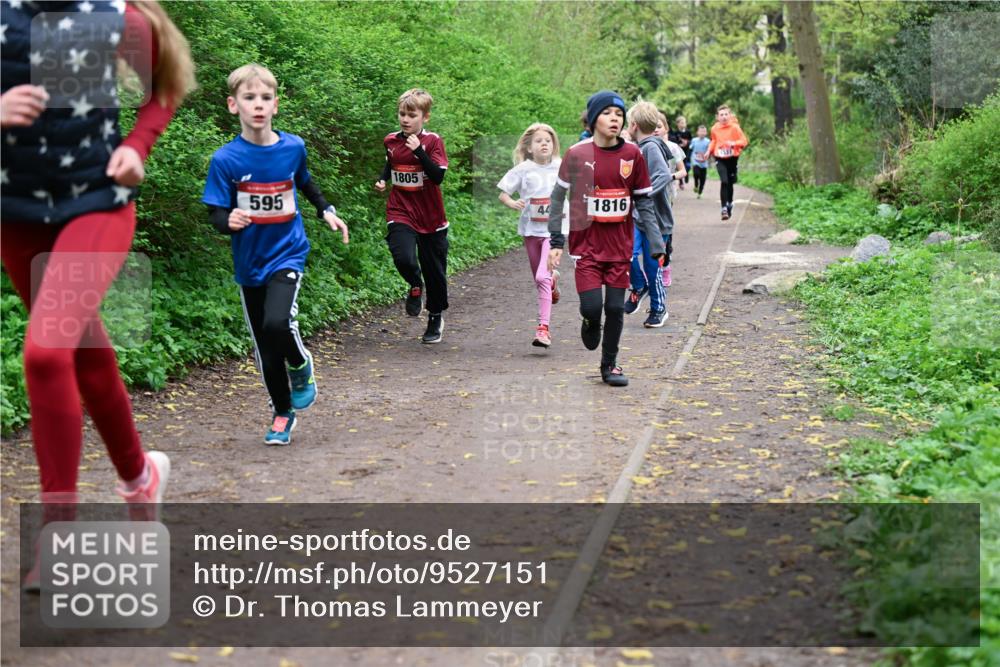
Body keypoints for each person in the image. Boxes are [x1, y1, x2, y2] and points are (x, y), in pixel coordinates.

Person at [1, 0, 195, 589]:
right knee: (81, 350)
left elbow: (165, 86)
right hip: (16, 213)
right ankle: (140, 480)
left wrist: (138, 145)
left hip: (97, 205)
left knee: (44, 352)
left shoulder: (120, 17)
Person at [203, 64, 349, 446]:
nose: (258, 105)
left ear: (276, 105)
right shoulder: (226, 160)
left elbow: (306, 182)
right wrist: (227, 219)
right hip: (250, 263)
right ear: (233, 105)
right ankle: (282, 413)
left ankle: (300, 364)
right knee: (265, 350)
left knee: (276, 322)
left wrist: (326, 210)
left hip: (288, 253)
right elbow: (215, 212)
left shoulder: (292, 147)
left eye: (265, 98)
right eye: (249, 98)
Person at [546, 91, 664, 387]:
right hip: (586, 247)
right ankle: (589, 322)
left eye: (620, 114)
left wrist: (656, 241)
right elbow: (558, 198)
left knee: (614, 307)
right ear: (594, 118)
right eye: (608, 113)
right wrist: (556, 241)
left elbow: (644, 203)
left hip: (619, 247)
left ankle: (609, 364)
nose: (615, 119)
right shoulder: (577, 154)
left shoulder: (632, 155)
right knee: (591, 308)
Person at [374, 88, 450, 344]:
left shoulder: (433, 142)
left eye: (411, 115)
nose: (405, 119)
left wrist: (419, 151)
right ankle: (414, 284)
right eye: (402, 114)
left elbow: (438, 176)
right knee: (403, 256)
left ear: (425, 117)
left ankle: (435, 316)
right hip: (401, 208)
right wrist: (383, 179)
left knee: (435, 271)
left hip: (431, 216)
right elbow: (391, 161)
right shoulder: (391, 140)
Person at [497, 123, 564, 348]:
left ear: (553, 144)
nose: (544, 143)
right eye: (538, 141)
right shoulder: (523, 169)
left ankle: (543, 328)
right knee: (541, 277)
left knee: (540, 278)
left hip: (553, 232)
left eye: (548, 140)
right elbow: (503, 193)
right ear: (528, 147)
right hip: (530, 231)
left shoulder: (562, 166)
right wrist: (512, 202)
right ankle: (552, 281)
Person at [624, 101, 677, 328]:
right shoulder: (637, 148)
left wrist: (642, 194)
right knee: (626, 252)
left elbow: (663, 176)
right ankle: (639, 286)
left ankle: (658, 308)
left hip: (658, 221)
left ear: (633, 125)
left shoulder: (650, 147)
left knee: (653, 266)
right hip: (638, 218)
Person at [707, 104, 748, 220]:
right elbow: (714, 141)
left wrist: (733, 143)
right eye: (721, 115)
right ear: (717, 117)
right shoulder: (714, 128)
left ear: (729, 116)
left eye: (726, 114)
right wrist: (708, 151)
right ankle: (724, 208)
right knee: (724, 181)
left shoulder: (735, 127)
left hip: (732, 158)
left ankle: (729, 203)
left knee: (730, 182)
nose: (724, 117)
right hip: (719, 158)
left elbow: (744, 141)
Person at [654, 112, 687, 205]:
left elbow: (683, 171)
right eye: (652, 127)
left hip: (667, 192)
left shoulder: (673, 147)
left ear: (666, 128)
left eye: (659, 127)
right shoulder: (643, 148)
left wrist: (670, 177)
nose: (655, 130)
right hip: (649, 192)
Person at [669, 115, 693, 188]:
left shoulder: (688, 132)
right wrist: (679, 145)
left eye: (684, 122)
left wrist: (687, 142)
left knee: (688, 165)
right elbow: (674, 141)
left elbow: (691, 140)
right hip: (679, 152)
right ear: (678, 124)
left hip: (687, 151)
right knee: (680, 166)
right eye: (681, 123)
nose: (683, 124)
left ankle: (686, 174)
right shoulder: (676, 133)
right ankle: (681, 181)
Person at [689, 125, 711, 199]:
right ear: (697, 132)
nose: (702, 133)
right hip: (695, 161)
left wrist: (708, 154)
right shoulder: (694, 140)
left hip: (704, 163)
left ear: (706, 133)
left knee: (702, 179)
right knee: (696, 174)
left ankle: (700, 192)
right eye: (701, 131)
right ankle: (695, 184)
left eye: (704, 131)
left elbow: (709, 150)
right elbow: (690, 148)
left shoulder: (708, 141)